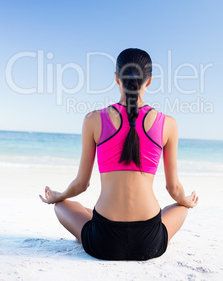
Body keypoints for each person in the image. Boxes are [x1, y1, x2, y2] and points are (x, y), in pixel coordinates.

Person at [40, 48, 198, 260]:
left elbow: (81, 185)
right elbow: (174, 189)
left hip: (103, 240)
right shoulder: (168, 124)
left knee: (63, 206)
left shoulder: (93, 120)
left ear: (116, 78)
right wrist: (187, 200)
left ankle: (82, 212)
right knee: (181, 208)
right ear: (149, 81)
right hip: (148, 241)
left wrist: (59, 196)